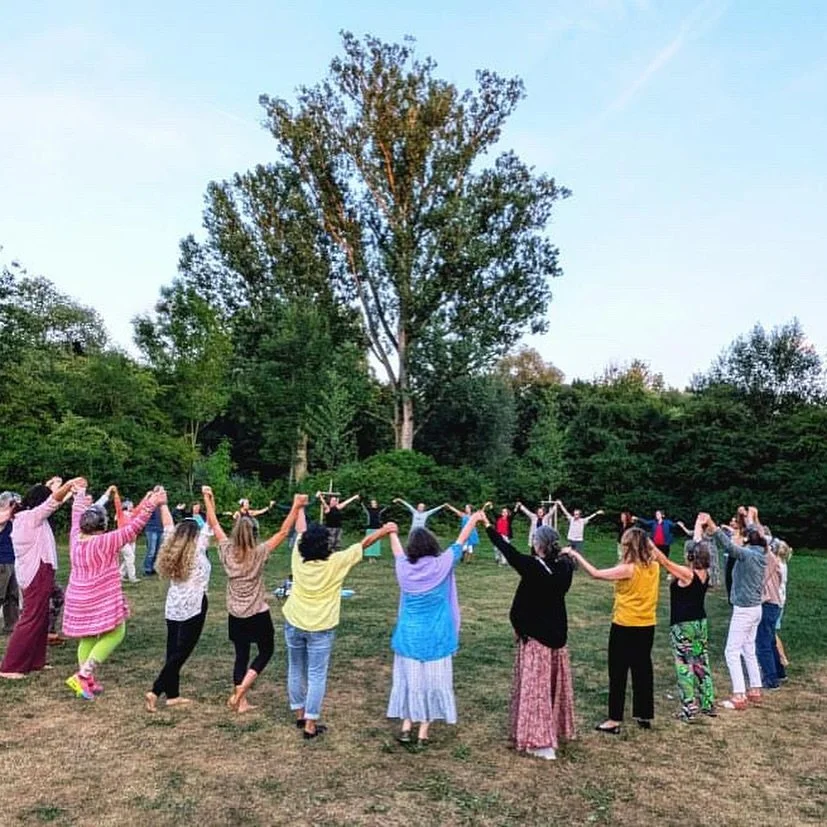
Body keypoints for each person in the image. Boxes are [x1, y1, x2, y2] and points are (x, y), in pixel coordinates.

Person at [283, 512, 394, 739]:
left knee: (296, 669)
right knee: (316, 675)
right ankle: (310, 724)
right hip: (321, 627)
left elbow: (301, 530)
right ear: (326, 544)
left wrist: (300, 508)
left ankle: (300, 715)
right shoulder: (336, 562)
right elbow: (363, 544)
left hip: (294, 621)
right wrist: (385, 530)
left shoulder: (296, 556)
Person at [480, 512, 576, 761]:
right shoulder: (564, 568)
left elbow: (508, 550)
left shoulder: (535, 568)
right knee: (551, 688)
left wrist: (488, 525)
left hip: (538, 638)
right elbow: (563, 559)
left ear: (538, 545)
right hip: (556, 635)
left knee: (538, 690)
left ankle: (541, 741)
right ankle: (551, 732)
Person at [204, 487, 305, 714]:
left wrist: (207, 499)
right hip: (258, 612)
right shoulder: (259, 552)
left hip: (235, 613)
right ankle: (240, 695)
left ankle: (241, 701)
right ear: (254, 534)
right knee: (266, 651)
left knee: (241, 655)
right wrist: (297, 507)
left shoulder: (227, 549)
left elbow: (214, 524)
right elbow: (283, 531)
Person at [386, 513, 483, 747]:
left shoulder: (403, 569)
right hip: (437, 636)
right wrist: (474, 519)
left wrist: (391, 531)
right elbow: (460, 540)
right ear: (432, 545)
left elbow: (397, 551)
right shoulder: (442, 564)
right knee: (433, 683)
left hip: (409, 636)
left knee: (410, 682)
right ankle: (423, 733)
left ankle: (407, 726)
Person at [63, 484, 164, 699]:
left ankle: (86, 682)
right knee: (117, 632)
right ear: (103, 524)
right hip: (99, 596)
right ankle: (82, 676)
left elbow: (75, 514)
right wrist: (151, 503)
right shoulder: (106, 541)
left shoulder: (74, 537)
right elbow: (133, 528)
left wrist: (80, 494)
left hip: (78, 596)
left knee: (88, 637)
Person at [563, 527, 660, 734]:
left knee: (618, 672)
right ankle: (644, 714)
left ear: (629, 547)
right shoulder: (654, 566)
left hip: (625, 626)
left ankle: (614, 719)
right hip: (647, 626)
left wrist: (574, 554)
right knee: (643, 669)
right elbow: (650, 549)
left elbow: (596, 574)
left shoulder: (629, 569)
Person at [0, 476, 82, 679]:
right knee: (30, 618)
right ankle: (10, 666)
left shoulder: (31, 517)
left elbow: (55, 501)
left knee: (41, 618)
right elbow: (53, 501)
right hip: (36, 573)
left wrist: (70, 491)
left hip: (41, 571)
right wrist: (68, 485)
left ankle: (36, 661)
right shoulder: (30, 517)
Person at [145, 504, 212, 712]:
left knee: (173, 650)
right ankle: (155, 691)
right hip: (194, 605)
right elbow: (211, 522)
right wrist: (209, 500)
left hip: (173, 605)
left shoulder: (172, 548)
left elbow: (167, 525)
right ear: (195, 535)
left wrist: (164, 504)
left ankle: (173, 695)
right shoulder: (198, 550)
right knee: (181, 653)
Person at [651, 515, 715, 721]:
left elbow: (665, 562)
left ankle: (689, 708)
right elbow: (698, 545)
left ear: (690, 557)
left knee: (684, 665)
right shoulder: (705, 572)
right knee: (701, 661)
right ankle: (708, 703)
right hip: (700, 622)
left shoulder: (687, 575)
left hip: (683, 625)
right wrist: (697, 525)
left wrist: (649, 544)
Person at [708, 508, 767, 710]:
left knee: (731, 651)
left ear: (748, 541)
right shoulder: (761, 552)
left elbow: (728, 547)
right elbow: (754, 531)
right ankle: (755, 689)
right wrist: (749, 516)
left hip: (744, 609)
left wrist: (712, 526)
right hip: (756, 609)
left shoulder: (748, 555)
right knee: (748, 648)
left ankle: (739, 695)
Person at [756, 532, 785, 690]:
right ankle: (779, 672)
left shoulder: (768, 562)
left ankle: (770, 679)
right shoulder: (777, 564)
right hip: (775, 604)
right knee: (771, 640)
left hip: (767, 605)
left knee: (762, 643)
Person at [0, 492, 21, 635]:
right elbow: (5, 518)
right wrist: (14, 507)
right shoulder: (3, 516)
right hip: (1, 561)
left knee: (12, 595)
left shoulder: (12, 517)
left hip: (13, 560)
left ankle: (11, 625)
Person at [774, 541, 792, 669]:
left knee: (770, 632)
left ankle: (781, 656)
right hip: (781, 600)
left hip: (776, 601)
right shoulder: (783, 563)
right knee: (772, 631)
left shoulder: (777, 564)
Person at [142, 501, 164, 576]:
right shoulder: (150, 505)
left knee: (158, 550)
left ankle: (153, 568)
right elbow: (145, 516)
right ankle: (147, 569)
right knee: (151, 550)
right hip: (151, 530)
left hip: (160, 530)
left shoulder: (162, 507)